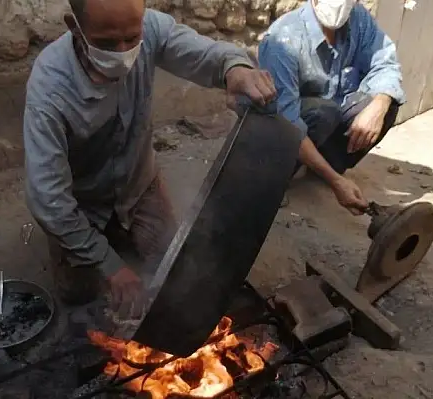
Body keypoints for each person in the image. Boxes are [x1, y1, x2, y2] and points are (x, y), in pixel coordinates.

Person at [22, 0, 276, 311]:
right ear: (75, 27)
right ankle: (98, 239)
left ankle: (120, 232)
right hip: (83, 201)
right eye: (106, 43)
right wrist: (110, 265)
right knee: (79, 295)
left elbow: (207, 54)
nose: (122, 51)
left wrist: (235, 68)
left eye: (131, 38)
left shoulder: (152, 28)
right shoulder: (50, 86)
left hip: (138, 183)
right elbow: (48, 198)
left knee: (175, 267)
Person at [258, 0, 405, 215]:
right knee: (323, 112)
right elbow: (286, 123)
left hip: (330, 117)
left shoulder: (358, 20)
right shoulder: (282, 40)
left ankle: (324, 168)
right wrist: (337, 182)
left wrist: (380, 104)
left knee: (387, 101)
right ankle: (277, 177)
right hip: (284, 128)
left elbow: (385, 64)